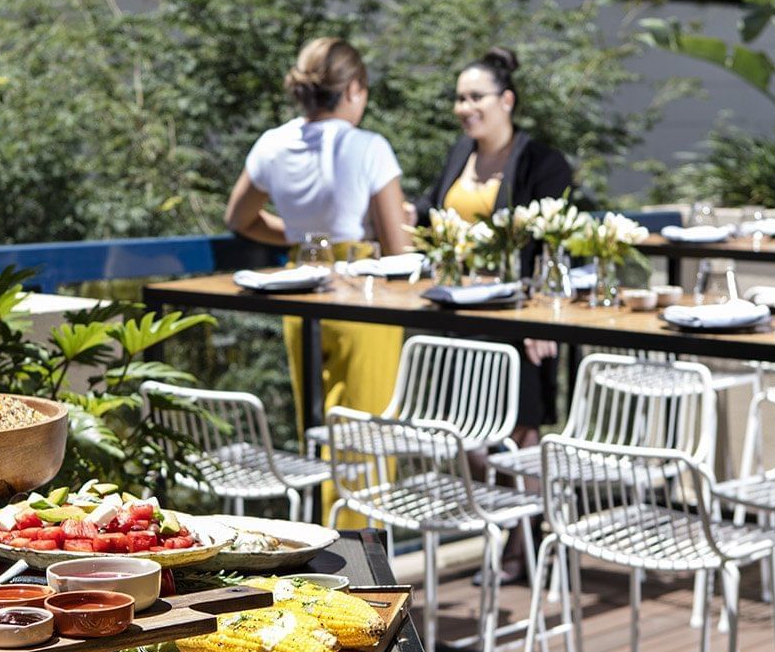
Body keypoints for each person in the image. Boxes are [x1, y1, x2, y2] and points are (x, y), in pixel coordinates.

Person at [225, 38, 410, 510]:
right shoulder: (368, 147)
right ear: (353, 89)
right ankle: (362, 564)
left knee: (318, 432)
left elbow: (239, 219)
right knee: (366, 439)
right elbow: (398, 249)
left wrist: (300, 237)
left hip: (300, 286)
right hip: (361, 294)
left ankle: (323, 552)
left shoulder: (273, 143)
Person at [416, 46, 575, 446]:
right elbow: (426, 214)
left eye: (475, 97)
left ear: (506, 100)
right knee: (464, 436)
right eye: (459, 98)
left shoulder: (542, 163)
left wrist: (540, 319)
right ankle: (486, 510)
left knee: (518, 439)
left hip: (515, 320)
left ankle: (538, 511)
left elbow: (553, 244)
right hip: (458, 315)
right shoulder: (459, 153)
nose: (464, 107)